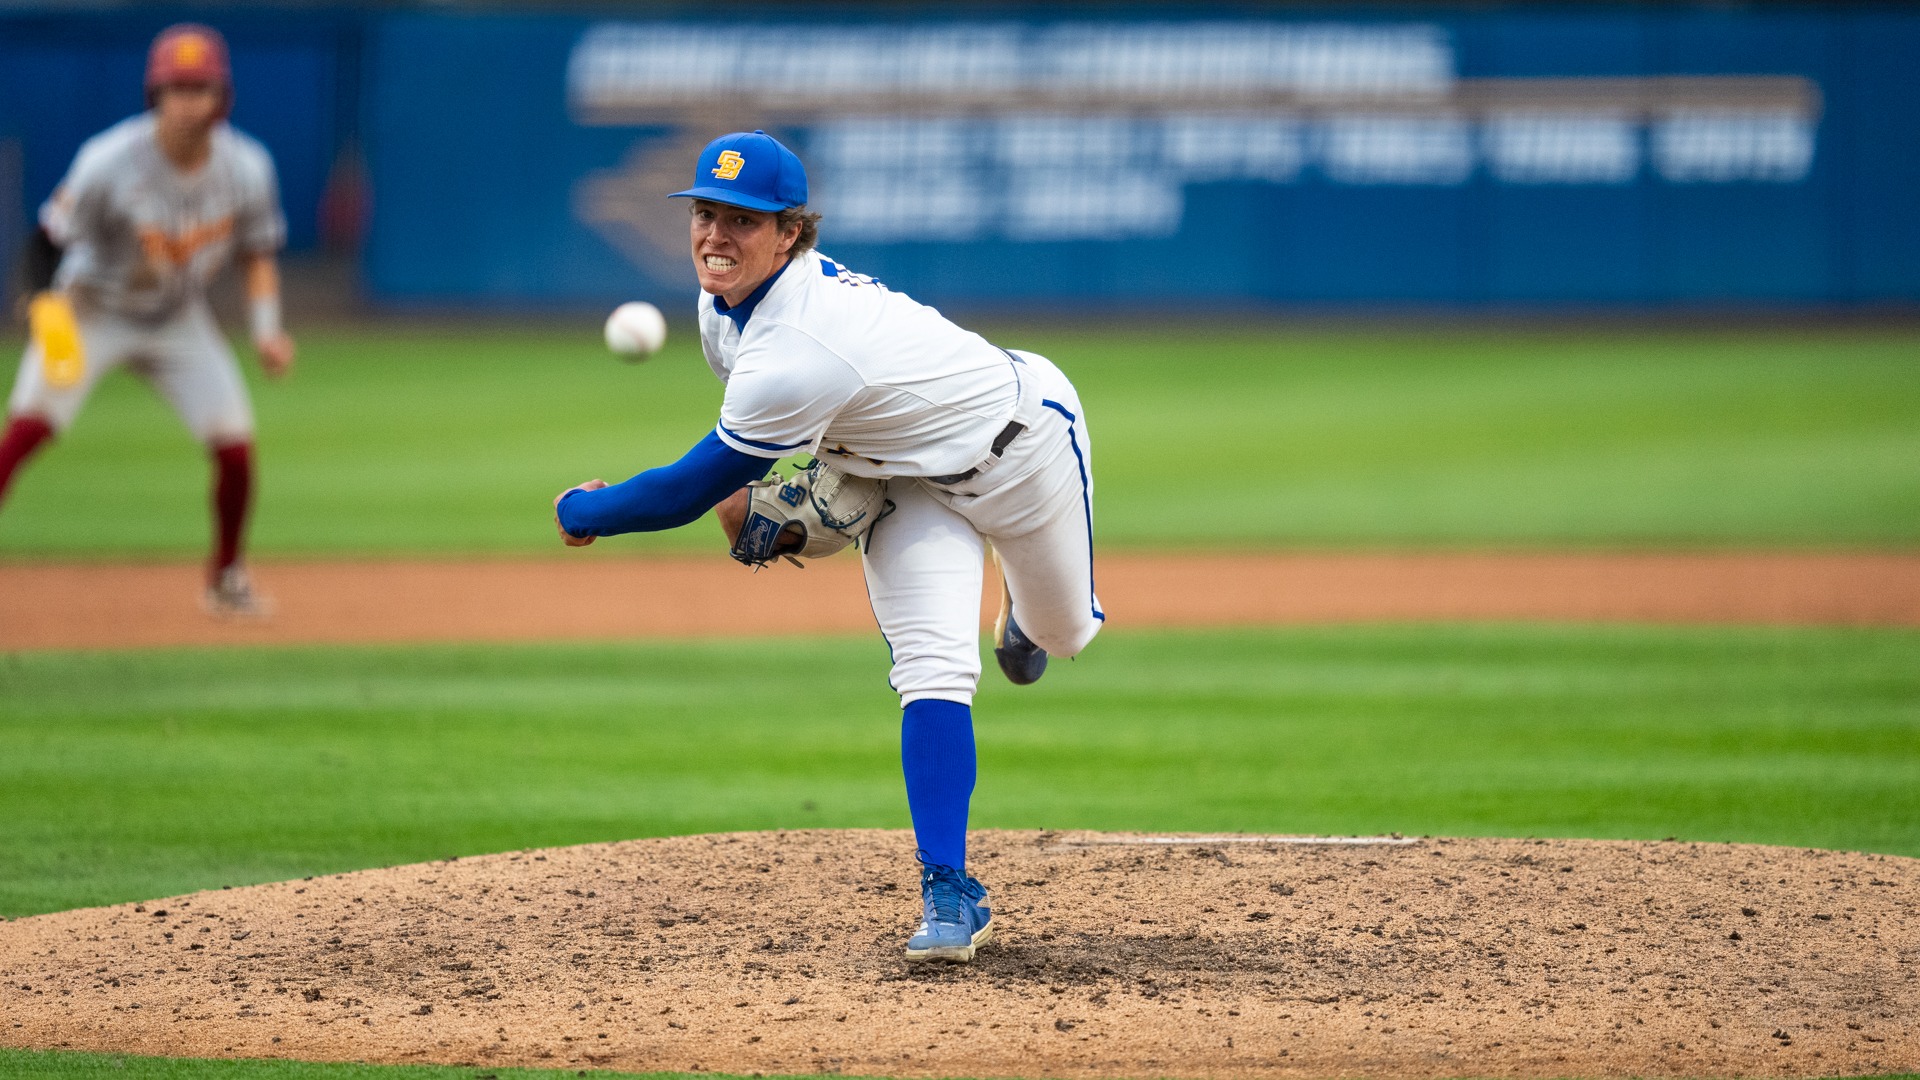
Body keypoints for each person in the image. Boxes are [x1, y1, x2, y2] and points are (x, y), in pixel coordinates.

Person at [553, 130, 1103, 963]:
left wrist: (587, 507)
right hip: (905, 482)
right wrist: (789, 507)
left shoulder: (799, 346)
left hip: (1021, 448)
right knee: (932, 668)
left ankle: (1025, 615)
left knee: (1060, 638)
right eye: (705, 213)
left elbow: (681, 493)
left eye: (742, 219)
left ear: (790, 233)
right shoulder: (722, 311)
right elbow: (781, 450)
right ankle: (950, 890)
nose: (715, 236)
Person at [0, 23, 295, 616]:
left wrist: (266, 330)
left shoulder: (247, 167)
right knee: (28, 431)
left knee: (234, 449)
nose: (187, 101)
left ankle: (226, 580)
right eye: (174, 88)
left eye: (199, 87)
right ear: (153, 96)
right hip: (92, 309)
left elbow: (258, 254)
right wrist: (40, 303)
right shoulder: (107, 162)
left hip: (177, 318)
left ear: (222, 97)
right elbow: (44, 242)